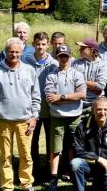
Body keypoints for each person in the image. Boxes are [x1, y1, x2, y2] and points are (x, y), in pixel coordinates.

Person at [0, 37, 41, 191]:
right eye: (11, 52)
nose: (14, 55)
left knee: (26, 155)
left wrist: (34, 117)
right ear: (5, 52)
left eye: (17, 52)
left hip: (25, 120)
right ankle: (7, 186)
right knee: (5, 156)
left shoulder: (29, 70)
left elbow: (36, 96)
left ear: (21, 53)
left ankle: (26, 183)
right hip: (3, 120)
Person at [45, 45, 87, 191]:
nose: (63, 58)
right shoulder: (51, 75)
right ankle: (53, 178)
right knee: (55, 149)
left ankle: (72, 173)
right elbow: (50, 98)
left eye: (66, 56)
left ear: (70, 57)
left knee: (72, 148)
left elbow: (82, 95)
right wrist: (71, 97)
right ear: (57, 57)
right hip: (57, 116)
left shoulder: (77, 74)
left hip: (75, 116)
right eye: (60, 56)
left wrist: (61, 97)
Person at [23, 32, 58, 182]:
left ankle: (51, 172)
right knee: (32, 143)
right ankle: (34, 171)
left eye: (43, 44)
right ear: (33, 44)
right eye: (38, 44)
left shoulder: (54, 64)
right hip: (32, 111)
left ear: (48, 45)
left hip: (50, 111)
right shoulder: (25, 62)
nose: (40, 47)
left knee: (52, 143)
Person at [72, 38, 107, 112]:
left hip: (96, 104)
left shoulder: (102, 64)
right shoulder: (76, 63)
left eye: (83, 48)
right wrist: (93, 86)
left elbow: (101, 86)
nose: (80, 50)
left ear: (91, 50)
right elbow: (71, 83)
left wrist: (81, 83)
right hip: (78, 103)